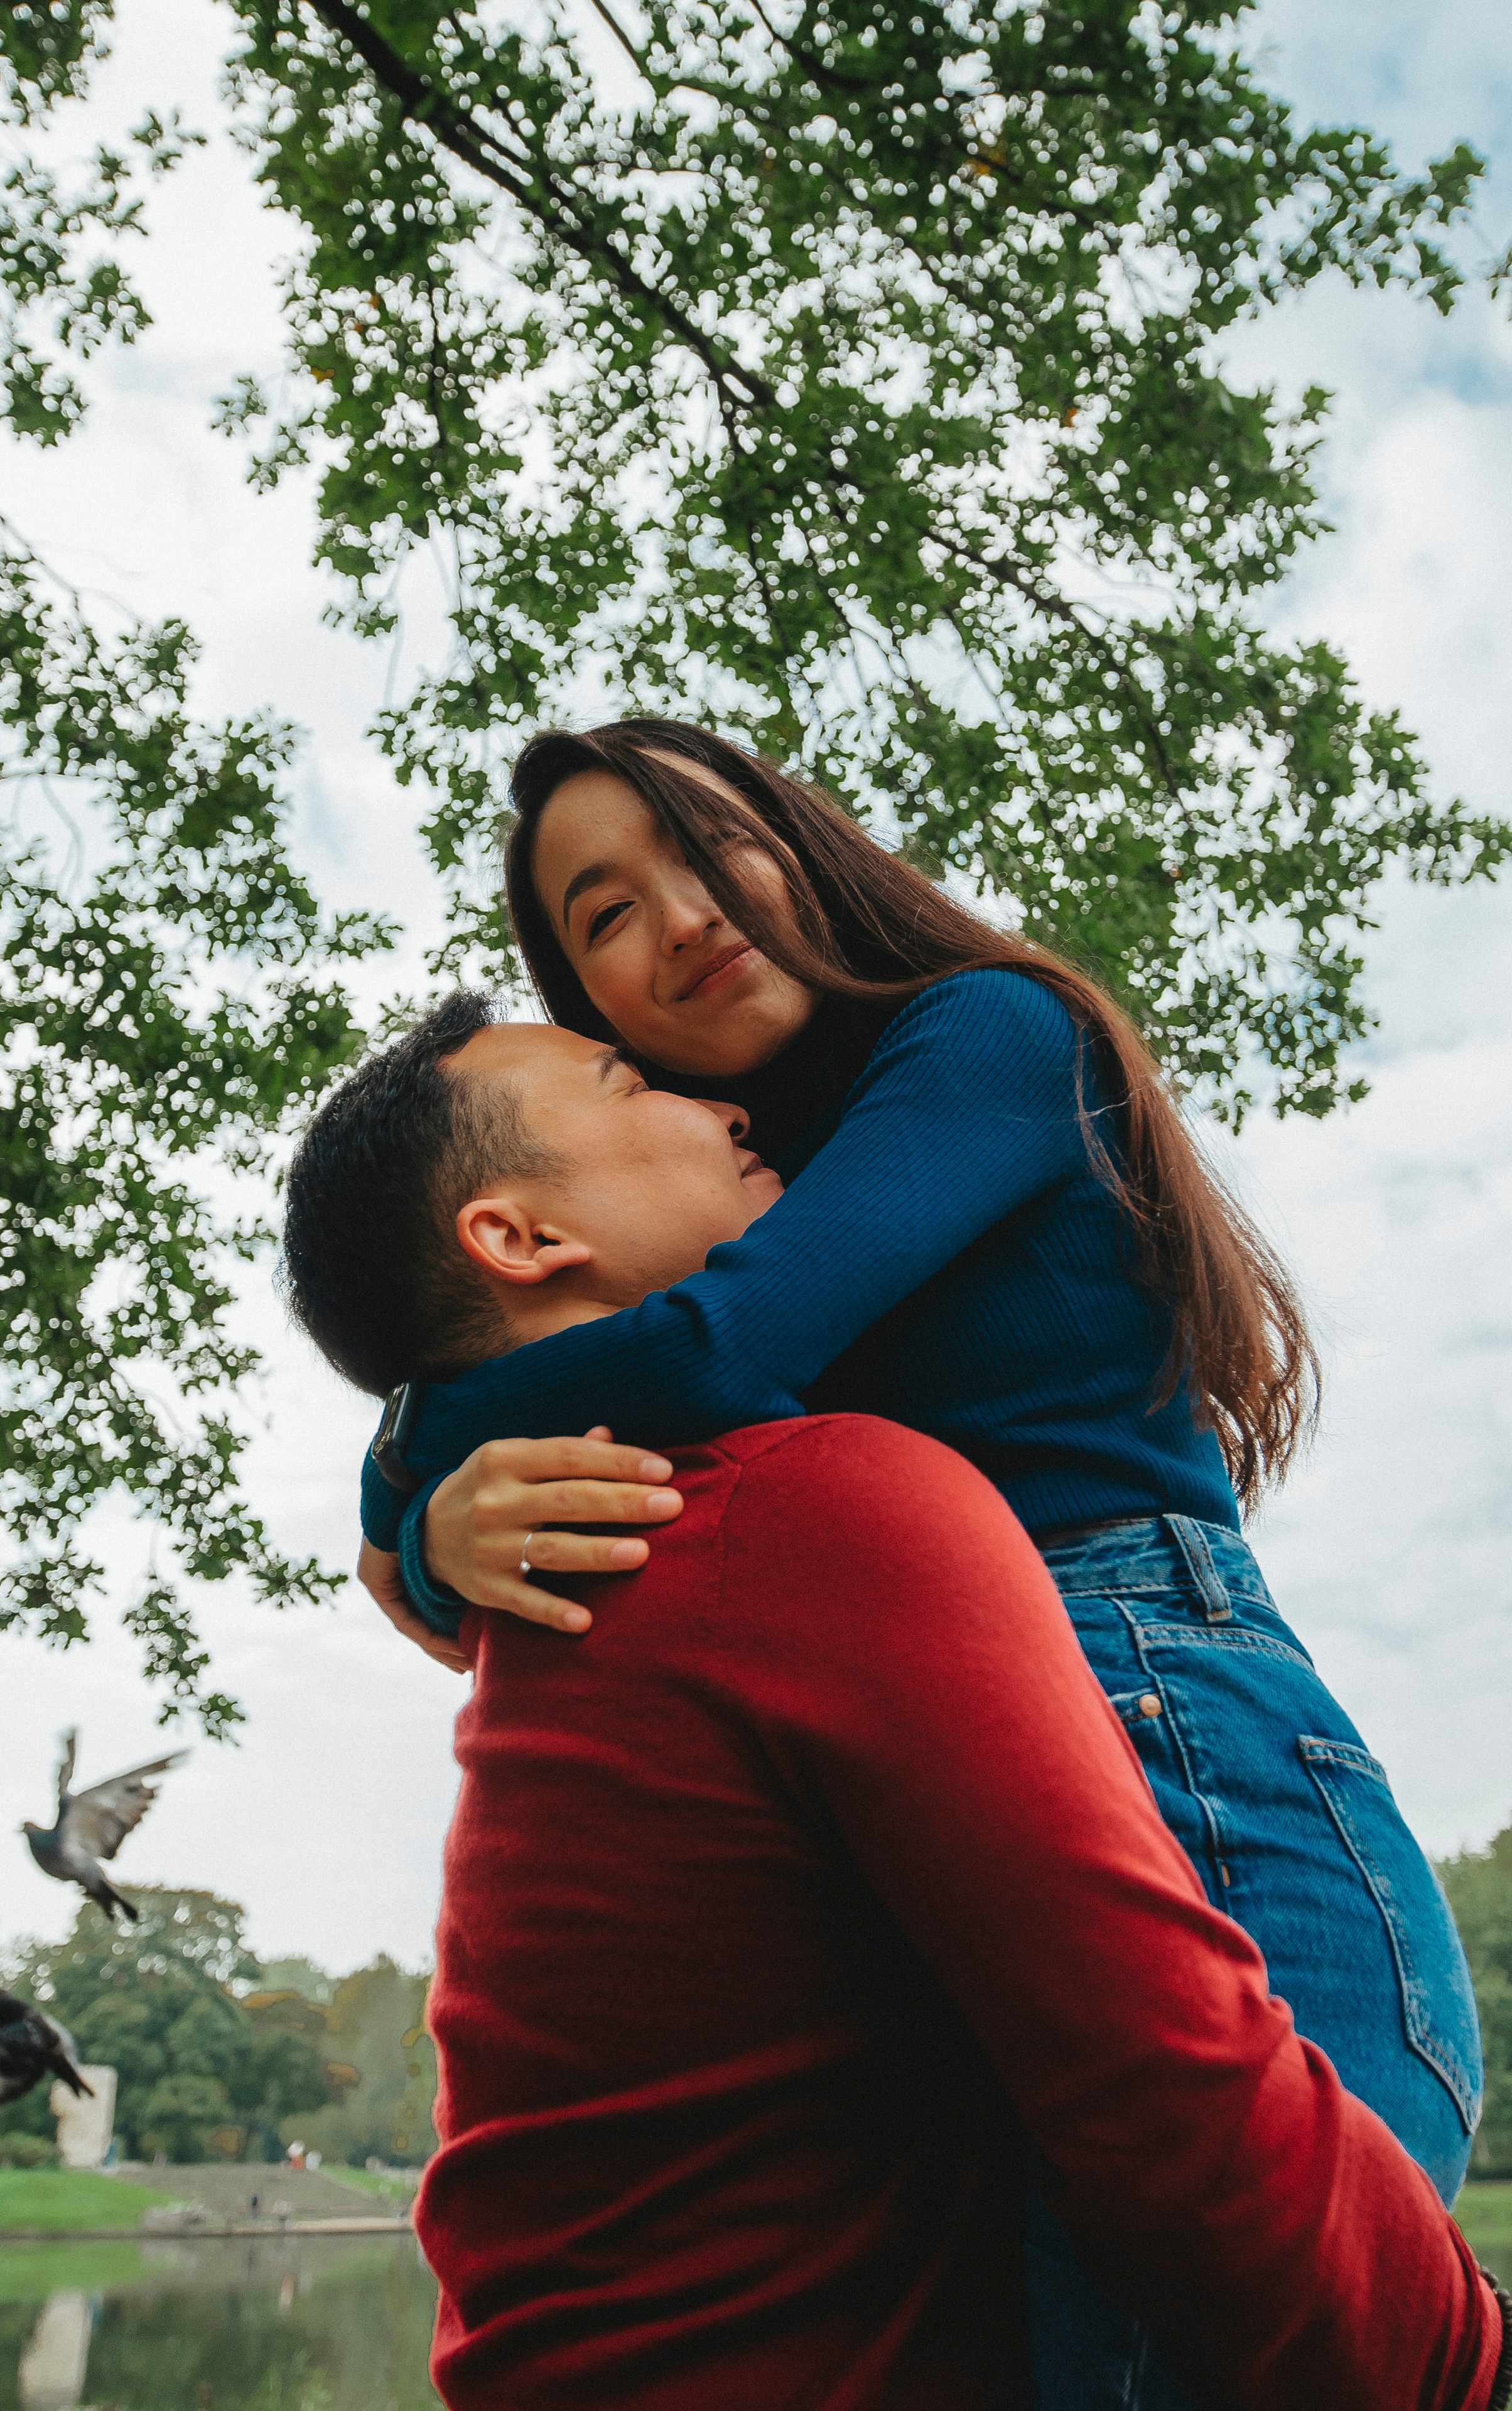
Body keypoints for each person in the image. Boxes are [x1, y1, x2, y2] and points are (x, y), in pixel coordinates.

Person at [350, 723, 1484, 2408]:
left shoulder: (987, 1038)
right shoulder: (724, 1191)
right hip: (949, 1802)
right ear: (595, 1013)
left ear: (801, 846)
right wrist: (431, 1521)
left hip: (1194, 1762)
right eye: (603, 914)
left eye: (711, 842)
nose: (679, 913)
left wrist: (412, 1493)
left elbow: (730, 1354)